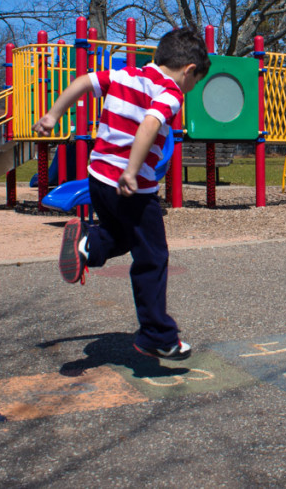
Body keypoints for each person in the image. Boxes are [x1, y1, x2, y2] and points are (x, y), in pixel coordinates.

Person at [33, 25, 210, 360]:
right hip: (133, 189)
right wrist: (131, 170)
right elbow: (150, 125)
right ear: (189, 70)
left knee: (122, 236)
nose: (191, 87)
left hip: (97, 179)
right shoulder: (170, 92)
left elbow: (84, 81)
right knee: (153, 258)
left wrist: (54, 113)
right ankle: (157, 335)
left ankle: (89, 244)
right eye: (195, 81)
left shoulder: (124, 74)